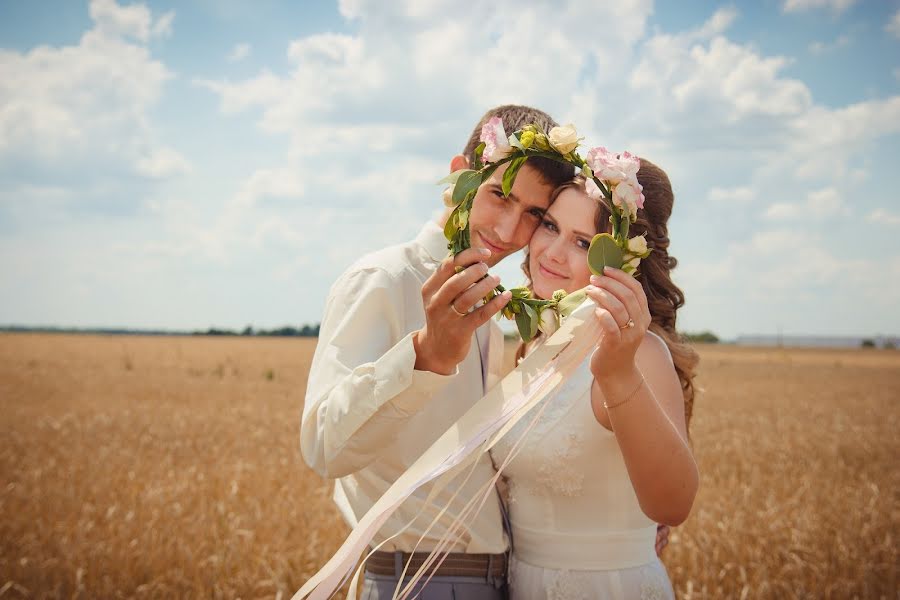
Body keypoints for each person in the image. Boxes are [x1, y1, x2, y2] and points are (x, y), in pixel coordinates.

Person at [301, 105, 575, 599]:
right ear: (459, 175)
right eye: (499, 196)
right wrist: (425, 355)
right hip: (417, 578)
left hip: (500, 575)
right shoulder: (383, 280)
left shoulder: (491, 301)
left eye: (534, 214)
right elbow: (323, 447)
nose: (511, 231)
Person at [491, 160, 700, 599]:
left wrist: (618, 374)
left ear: (623, 261)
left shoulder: (639, 354)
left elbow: (673, 505)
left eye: (583, 242)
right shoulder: (534, 348)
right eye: (549, 226)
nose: (551, 252)